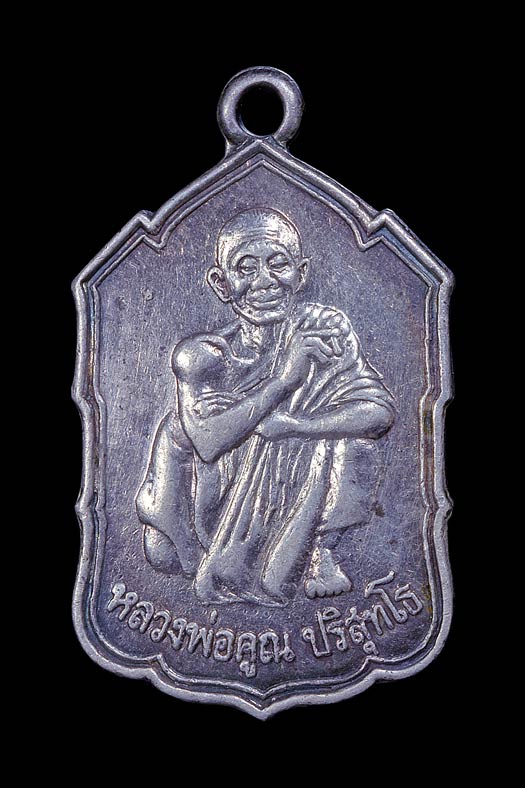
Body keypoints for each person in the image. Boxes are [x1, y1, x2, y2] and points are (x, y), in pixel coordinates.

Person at [136, 208, 395, 605]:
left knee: (353, 438)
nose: (264, 282)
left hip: (295, 475)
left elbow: (380, 414)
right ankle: (214, 554)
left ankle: (321, 551)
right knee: (161, 555)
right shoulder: (203, 355)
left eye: (278, 264)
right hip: (205, 499)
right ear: (221, 284)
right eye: (245, 268)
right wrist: (285, 380)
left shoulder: (322, 330)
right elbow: (208, 442)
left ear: (301, 274)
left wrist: (296, 426)